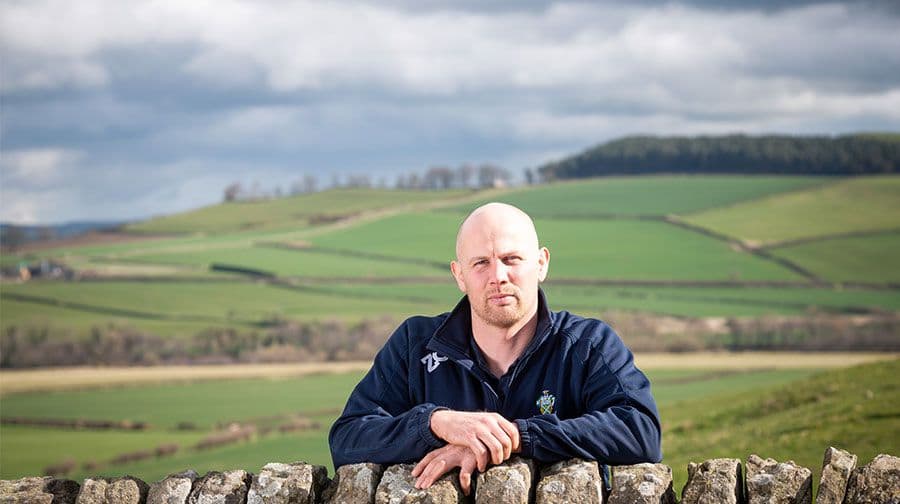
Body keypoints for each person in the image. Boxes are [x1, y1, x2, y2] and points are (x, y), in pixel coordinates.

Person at [329, 202, 661, 495]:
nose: (498, 276)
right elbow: (348, 438)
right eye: (481, 263)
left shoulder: (588, 344)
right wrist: (434, 424)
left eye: (510, 259)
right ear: (459, 275)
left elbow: (640, 431)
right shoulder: (414, 345)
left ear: (542, 263)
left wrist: (516, 436)